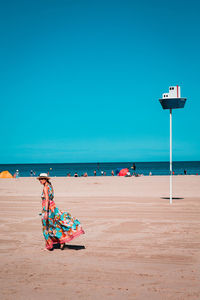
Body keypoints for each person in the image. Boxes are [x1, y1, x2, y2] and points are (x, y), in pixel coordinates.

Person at [37, 173, 85, 251]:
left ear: (46, 179)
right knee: (55, 225)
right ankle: (62, 241)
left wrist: (45, 212)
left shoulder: (46, 187)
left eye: (42, 179)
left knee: (46, 227)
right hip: (53, 208)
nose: (40, 180)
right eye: (40, 179)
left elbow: (47, 200)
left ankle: (49, 246)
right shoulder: (50, 186)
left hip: (48, 209)